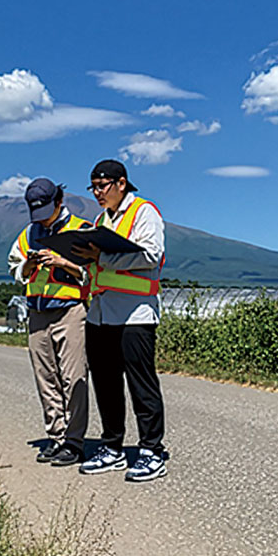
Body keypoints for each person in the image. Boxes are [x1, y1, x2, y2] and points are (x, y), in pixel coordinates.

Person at [74, 160, 168, 482]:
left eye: (102, 186)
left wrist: (102, 257)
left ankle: (152, 450)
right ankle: (112, 446)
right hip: (100, 313)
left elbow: (150, 255)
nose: (97, 193)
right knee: (106, 383)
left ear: (121, 184)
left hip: (135, 312)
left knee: (141, 383)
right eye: (93, 187)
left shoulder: (144, 213)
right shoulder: (101, 220)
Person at [7, 178, 92, 466]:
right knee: (46, 378)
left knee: (74, 377)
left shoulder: (81, 229)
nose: (41, 220)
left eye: (46, 212)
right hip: (37, 312)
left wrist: (62, 262)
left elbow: (93, 273)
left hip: (70, 309)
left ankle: (74, 441)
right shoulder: (29, 233)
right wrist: (28, 264)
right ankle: (56, 437)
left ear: (59, 201)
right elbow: (14, 267)